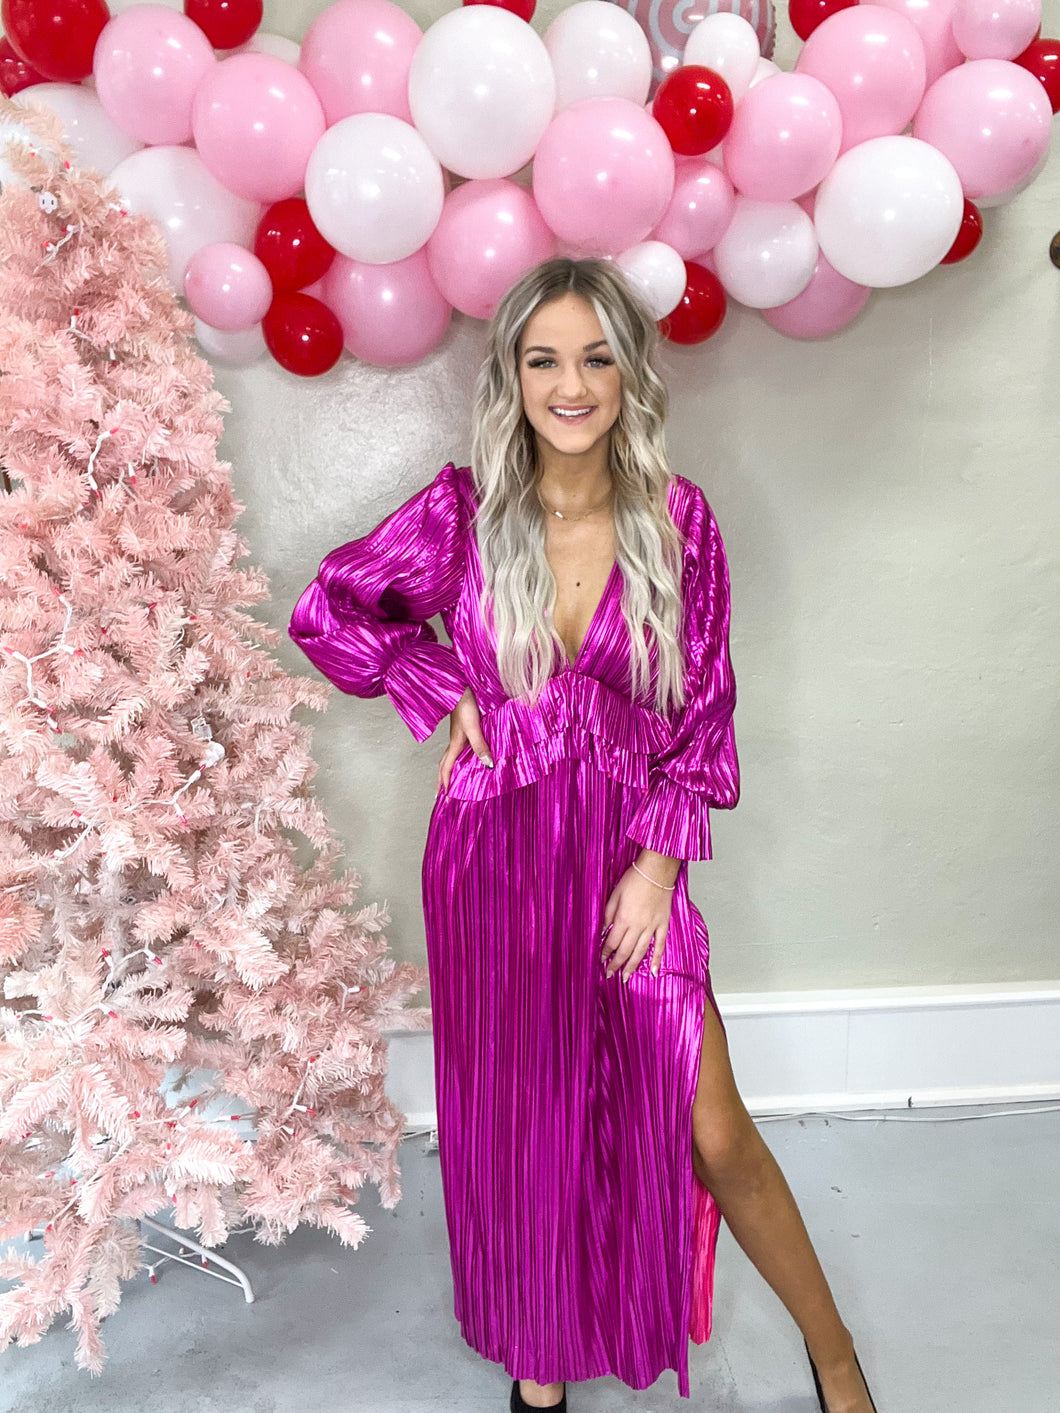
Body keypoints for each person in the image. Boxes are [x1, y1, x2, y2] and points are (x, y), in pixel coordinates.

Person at [287, 257, 877, 1413]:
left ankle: (838, 1357)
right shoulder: (462, 514)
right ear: (511, 375)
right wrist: (432, 680)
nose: (571, 385)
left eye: (596, 358)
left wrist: (657, 869)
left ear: (628, 374)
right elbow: (329, 608)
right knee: (526, 1121)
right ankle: (539, 1366)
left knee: (713, 1128)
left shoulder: (678, 522)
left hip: (622, 857)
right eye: (544, 359)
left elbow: (704, 714)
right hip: (491, 864)